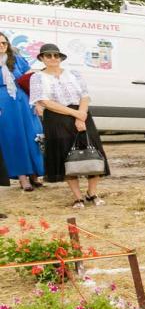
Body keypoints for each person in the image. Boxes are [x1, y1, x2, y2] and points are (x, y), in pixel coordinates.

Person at [29, 43, 110, 207]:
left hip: (82, 114)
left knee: (93, 151)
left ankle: (92, 193)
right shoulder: (37, 77)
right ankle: (78, 196)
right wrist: (75, 114)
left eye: (56, 55)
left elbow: (85, 96)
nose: (53, 58)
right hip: (57, 118)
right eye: (48, 55)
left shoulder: (74, 73)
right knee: (65, 156)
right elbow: (44, 101)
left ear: (60, 58)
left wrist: (81, 116)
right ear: (42, 58)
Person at [0, 31, 44, 190]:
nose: (2, 46)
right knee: (13, 139)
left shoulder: (18, 60)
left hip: (24, 101)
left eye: (4, 43)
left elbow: (32, 80)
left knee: (31, 136)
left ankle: (35, 173)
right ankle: (22, 177)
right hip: (4, 105)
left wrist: (38, 102)